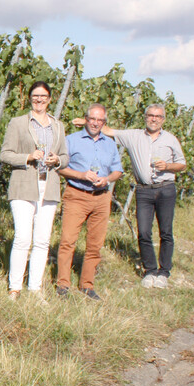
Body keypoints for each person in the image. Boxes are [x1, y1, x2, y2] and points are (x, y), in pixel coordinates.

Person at [100, 105, 186, 288]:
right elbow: (108, 131)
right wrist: (88, 121)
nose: (154, 119)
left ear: (163, 119)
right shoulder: (134, 136)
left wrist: (168, 166)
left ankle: (164, 272)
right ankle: (150, 270)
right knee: (144, 231)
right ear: (145, 117)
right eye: (150, 115)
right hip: (144, 190)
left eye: (158, 116)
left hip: (166, 188)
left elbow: (182, 164)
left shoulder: (170, 139)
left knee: (166, 232)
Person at [0, 82, 69, 300]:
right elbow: (5, 154)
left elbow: (65, 157)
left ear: (50, 99)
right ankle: (15, 287)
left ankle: (35, 288)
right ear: (30, 98)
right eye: (35, 96)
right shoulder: (18, 123)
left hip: (49, 186)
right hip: (23, 185)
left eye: (43, 96)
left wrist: (57, 159)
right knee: (22, 238)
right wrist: (28, 157)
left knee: (42, 240)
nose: (39, 100)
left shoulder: (58, 126)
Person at [55, 104, 123, 300]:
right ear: (86, 119)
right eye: (92, 119)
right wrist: (81, 175)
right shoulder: (71, 140)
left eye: (100, 120)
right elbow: (60, 167)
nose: (95, 123)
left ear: (104, 122)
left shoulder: (110, 144)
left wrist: (108, 179)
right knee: (68, 241)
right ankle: (63, 284)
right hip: (77, 194)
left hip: (101, 197)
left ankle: (87, 285)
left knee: (95, 244)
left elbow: (118, 170)